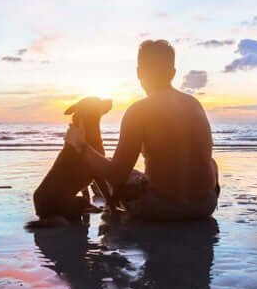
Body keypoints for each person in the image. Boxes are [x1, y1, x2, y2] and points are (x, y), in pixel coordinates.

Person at [65, 40, 219, 221]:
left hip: (158, 208)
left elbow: (116, 175)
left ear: (139, 72)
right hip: (204, 206)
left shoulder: (138, 111)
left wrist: (80, 145)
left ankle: (105, 198)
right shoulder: (194, 104)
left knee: (111, 167)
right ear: (173, 73)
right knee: (212, 163)